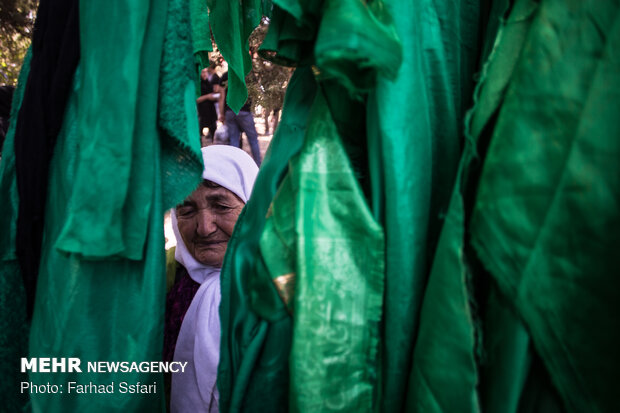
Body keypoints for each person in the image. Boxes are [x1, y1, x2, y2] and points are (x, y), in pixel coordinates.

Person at [165, 145, 259, 413]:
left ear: (252, 205)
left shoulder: (281, 288)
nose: (204, 227)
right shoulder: (164, 278)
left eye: (221, 205)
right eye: (187, 209)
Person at [218, 72, 262, 166]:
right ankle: (258, 165)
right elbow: (255, 94)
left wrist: (221, 113)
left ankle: (235, 166)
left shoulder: (226, 75)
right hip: (245, 112)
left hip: (230, 111)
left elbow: (222, 97)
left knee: (234, 140)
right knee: (253, 140)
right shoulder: (249, 75)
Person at [196, 64, 221, 146]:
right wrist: (207, 97)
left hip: (211, 112)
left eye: (206, 72)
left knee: (214, 131)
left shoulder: (209, 83)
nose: (205, 74)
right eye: (203, 72)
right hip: (202, 112)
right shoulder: (198, 85)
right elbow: (196, 100)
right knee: (199, 134)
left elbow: (213, 95)